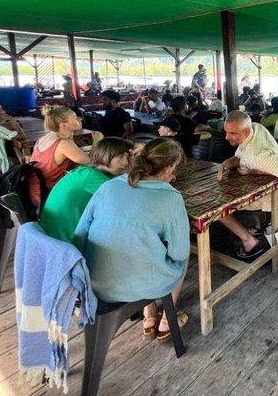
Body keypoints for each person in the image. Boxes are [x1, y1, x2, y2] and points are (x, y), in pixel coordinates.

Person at [73, 138, 189, 342]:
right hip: (136, 287)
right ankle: (166, 321)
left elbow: (80, 234)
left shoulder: (108, 186)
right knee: (184, 256)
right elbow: (177, 253)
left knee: (138, 248)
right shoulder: (171, 198)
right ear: (169, 168)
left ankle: (149, 316)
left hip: (93, 283)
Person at [218, 112, 278, 258]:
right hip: (259, 186)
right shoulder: (256, 127)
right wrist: (228, 162)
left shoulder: (257, 157)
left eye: (232, 133)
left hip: (270, 195)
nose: (227, 137)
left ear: (246, 131)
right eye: (226, 132)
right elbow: (239, 155)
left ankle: (249, 241)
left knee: (218, 208)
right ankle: (258, 225)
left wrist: (253, 171)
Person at [40, 138, 132, 243]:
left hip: (52, 234)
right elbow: (128, 199)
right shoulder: (93, 177)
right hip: (64, 240)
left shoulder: (87, 171)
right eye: (120, 157)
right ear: (104, 155)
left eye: (128, 157)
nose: (125, 163)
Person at [28, 106, 92, 206]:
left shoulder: (44, 138)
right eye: (75, 118)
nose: (80, 119)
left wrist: (70, 135)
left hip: (33, 190)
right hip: (46, 194)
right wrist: (97, 140)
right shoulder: (63, 143)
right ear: (64, 125)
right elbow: (91, 161)